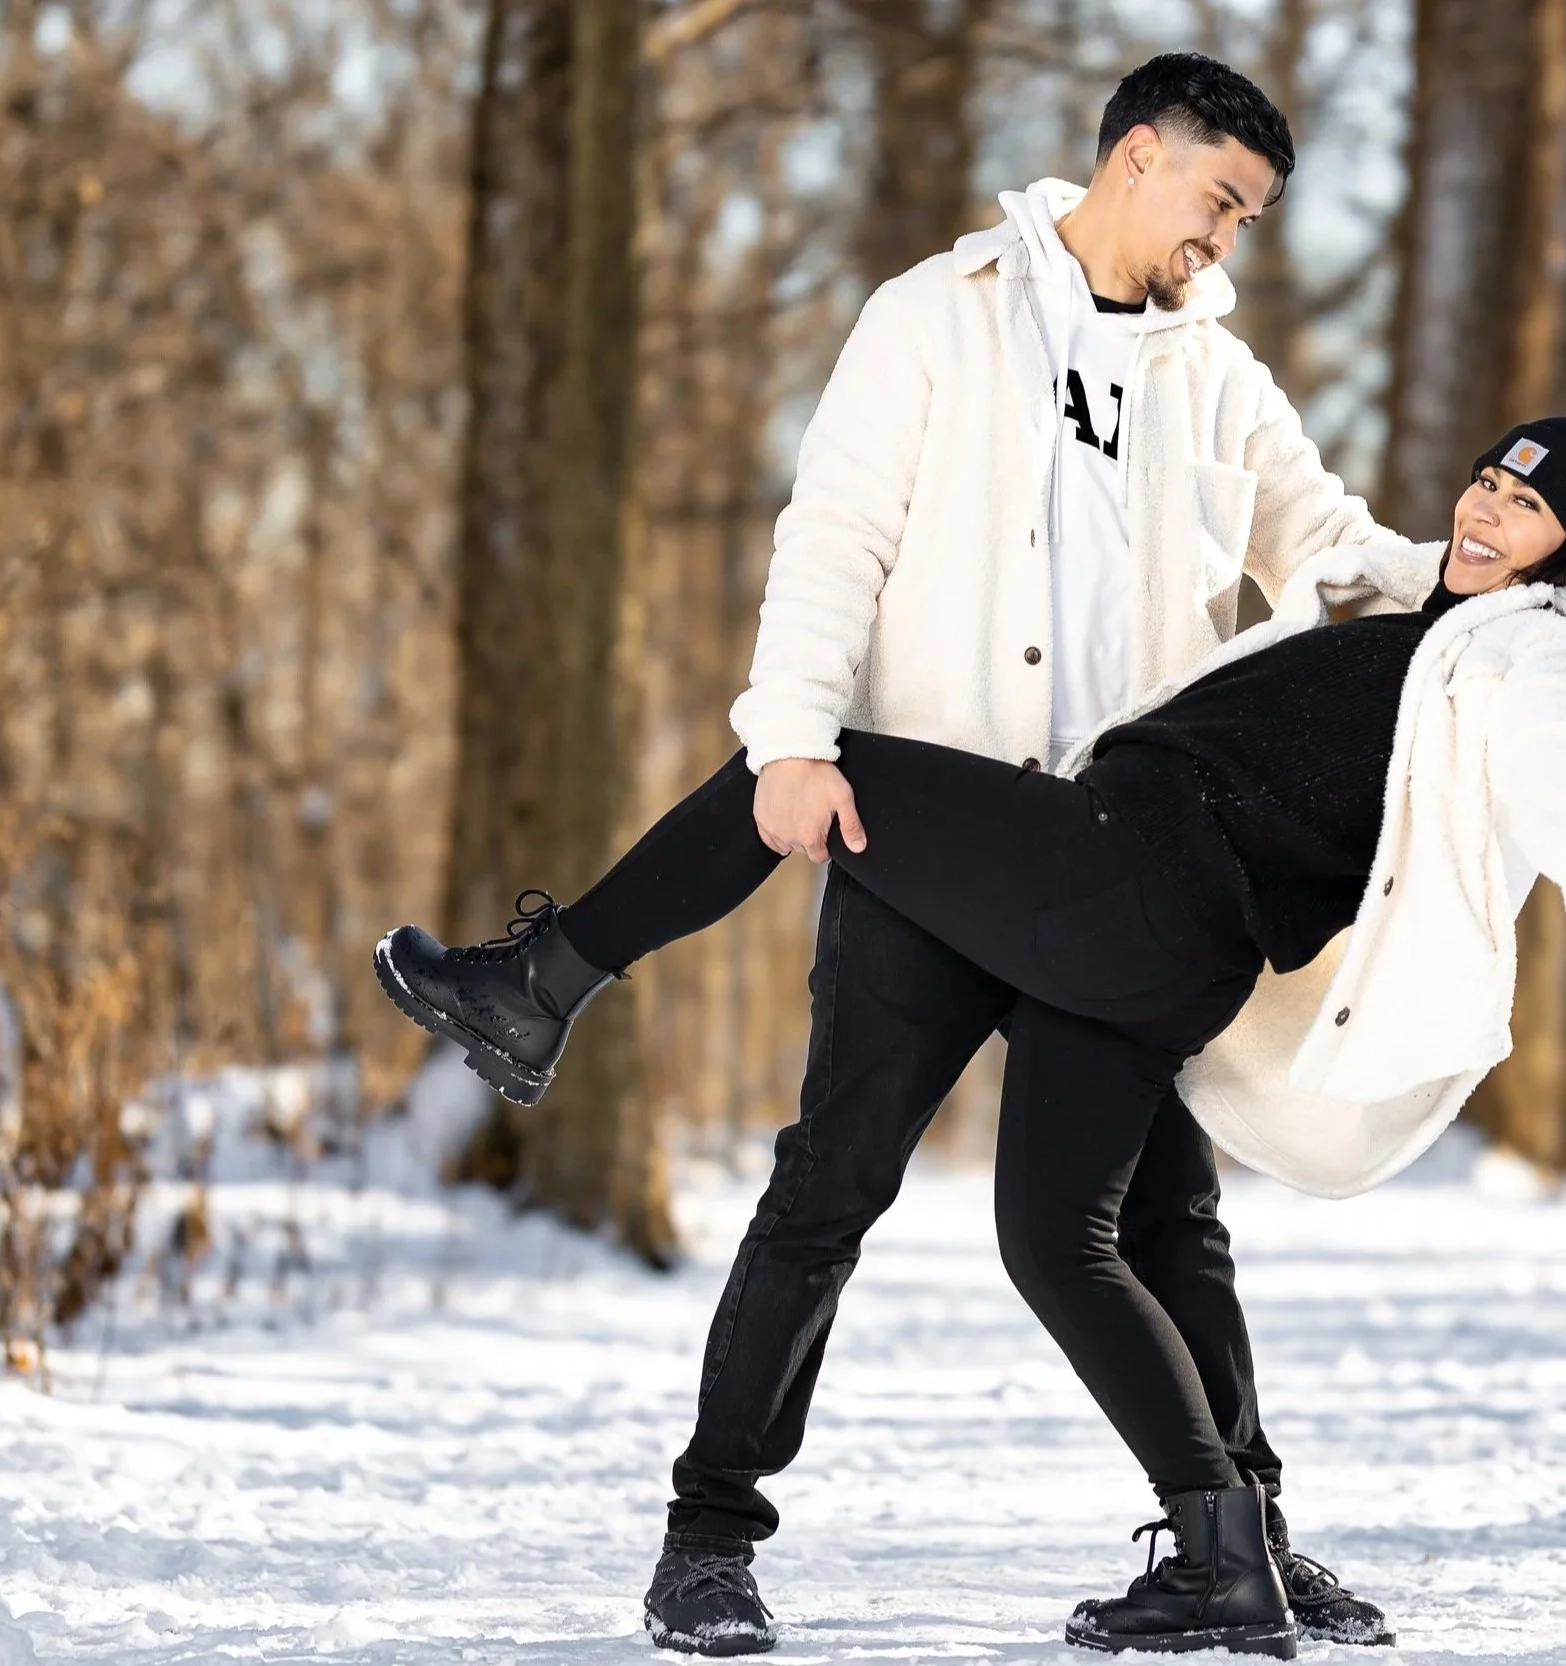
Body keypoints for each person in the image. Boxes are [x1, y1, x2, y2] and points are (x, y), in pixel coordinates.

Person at [377, 403, 1566, 1658]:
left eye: (1526, 512)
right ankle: (1221, 1552)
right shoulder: (1417, 605)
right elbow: (1313, 517)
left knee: (798, 765)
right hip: (1163, 948)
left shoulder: (1526, 652)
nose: (1485, 512)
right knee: (1056, 1237)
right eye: (1487, 482)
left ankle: (540, 982)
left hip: (1112, 872)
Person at [395, 53, 1440, 1657]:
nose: (1228, 241)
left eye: (1250, 219)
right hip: (929, 836)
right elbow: (836, 532)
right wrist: (795, 733)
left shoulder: (1220, 383)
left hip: (1116, 865)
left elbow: (1342, 554)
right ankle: (709, 1541)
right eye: (1221, 201)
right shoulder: (934, 314)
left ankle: (1252, 1542)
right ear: (1139, 156)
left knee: (1169, 1220)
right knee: (828, 1188)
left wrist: (1495, 566)